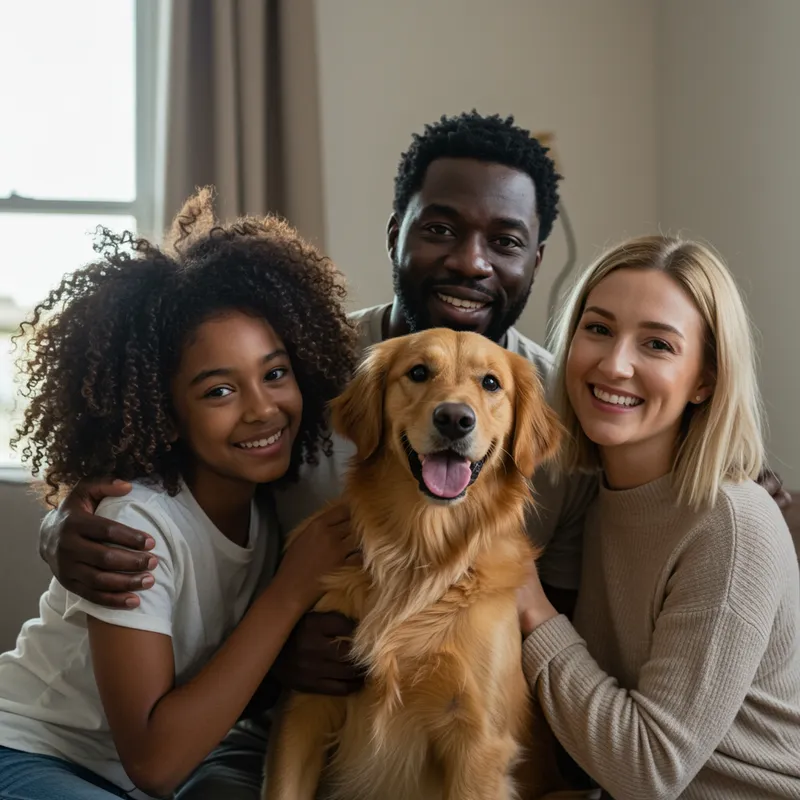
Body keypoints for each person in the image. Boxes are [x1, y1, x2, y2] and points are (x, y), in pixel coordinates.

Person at [31, 114, 793, 797]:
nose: (471, 261)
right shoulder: (303, 370)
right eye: (439, 229)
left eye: (504, 241)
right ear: (394, 229)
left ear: (535, 259)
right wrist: (64, 520)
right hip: (273, 727)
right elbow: (176, 431)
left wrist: (746, 491)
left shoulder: (569, 403)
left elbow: (658, 515)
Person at [0, 190, 362, 799]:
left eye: (275, 373)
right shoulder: (137, 522)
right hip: (34, 753)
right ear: (163, 410)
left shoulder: (269, 500)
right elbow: (154, 761)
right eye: (219, 391)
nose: (262, 410)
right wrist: (292, 587)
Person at [516, 235, 800, 799]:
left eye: (657, 345)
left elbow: (648, 773)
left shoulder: (730, 527)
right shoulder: (595, 498)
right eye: (597, 329)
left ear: (705, 380)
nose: (615, 364)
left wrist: (527, 601)